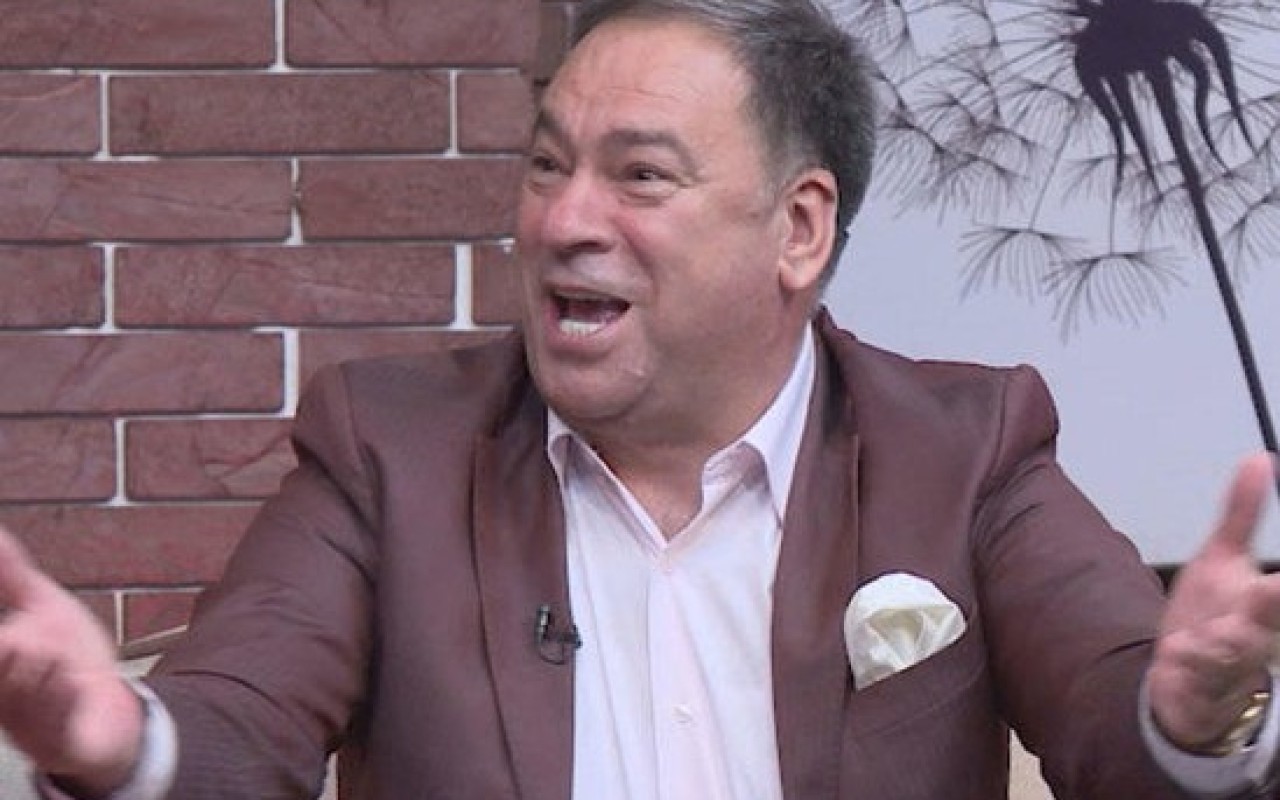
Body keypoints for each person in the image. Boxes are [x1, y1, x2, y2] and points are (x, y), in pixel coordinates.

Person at [1, 0, 1278, 797]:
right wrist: (124, 744)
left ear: (797, 227)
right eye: (544, 164)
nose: (562, 220)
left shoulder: (962, 447)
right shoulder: (389, 449)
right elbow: (242, 714)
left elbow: (1121, 716)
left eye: (639, 175)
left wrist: (1192, 721)